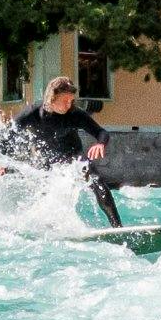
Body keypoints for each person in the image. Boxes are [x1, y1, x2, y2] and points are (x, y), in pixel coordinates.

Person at [10, 76, 122, 227]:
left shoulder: (75, 114)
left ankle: (117, 226)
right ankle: (38, 225)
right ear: (52, 98)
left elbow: (101, 132)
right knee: (43, 193)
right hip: (45, 160)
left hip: (73, 157)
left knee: (97, 182)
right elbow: (9, 133)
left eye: (71, 101)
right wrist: (1, 163)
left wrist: (101, 143)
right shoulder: (33, 113)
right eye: (65, 101)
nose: (69, 105)